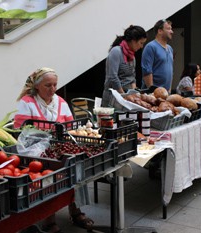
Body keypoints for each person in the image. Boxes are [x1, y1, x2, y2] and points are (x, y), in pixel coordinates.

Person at [14, 67, 94, 232]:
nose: (52, 89)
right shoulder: (27, 102)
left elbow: (72, 127)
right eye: (47, 85)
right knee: (49, 177)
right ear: (37, 86)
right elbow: (19, 130)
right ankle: (49, 220)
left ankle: (76, 210)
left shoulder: (61, 102)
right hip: (36, 151)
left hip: (59, 148)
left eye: (55, 85)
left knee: (75, 166)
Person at [101, 25, 147, 107]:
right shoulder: (116, 51)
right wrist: (123, 96)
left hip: (127, 98)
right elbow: (113, 77)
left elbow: (132, 77)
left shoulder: (132, 56)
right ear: (133, 41)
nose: (141, 46)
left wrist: (134, 93)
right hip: (113, 97)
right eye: (141, 43)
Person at [141, 19, 174, 91]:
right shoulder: (150, 47)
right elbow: (147, 72)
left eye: (171, 29)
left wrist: (169, 92)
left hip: (165, 94)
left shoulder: (170, 49)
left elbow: (170, 72)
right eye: (168, 29)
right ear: (160, 31)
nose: (172, 31)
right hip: (153, 94)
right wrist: (153, 92)